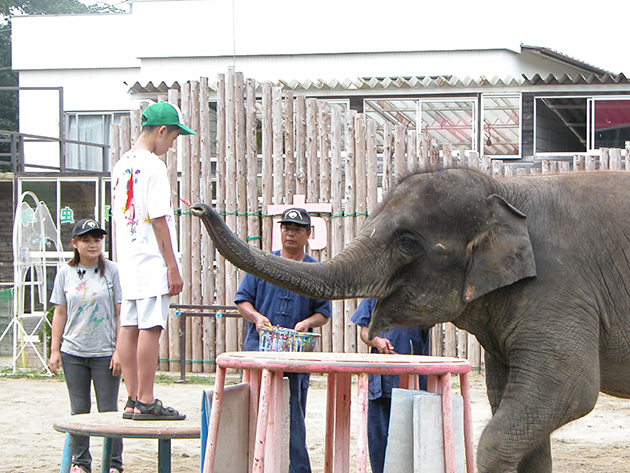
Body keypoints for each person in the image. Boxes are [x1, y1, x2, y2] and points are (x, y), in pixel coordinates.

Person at [111, 101, 195, 421]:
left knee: (128, 324)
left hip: (128, 259)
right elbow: (159, 219)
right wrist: (172, 267)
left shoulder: (121, 164)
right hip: (151, 258)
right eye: (173, 137)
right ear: (161, 130)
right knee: (151, 326)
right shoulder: (154, 167)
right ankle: (146, 397)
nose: (172, 144)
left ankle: (132, 398)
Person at [235, 207, 332, 473]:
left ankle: (297, 469)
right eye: (286, 227)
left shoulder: (317, 270)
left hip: (297, 355)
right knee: (256, 410)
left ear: (308, 234)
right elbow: (242, 300)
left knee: (293, 415)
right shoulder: (262, 262)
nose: (291, 233)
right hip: (260, 350)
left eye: (297, 229)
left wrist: (307, 324)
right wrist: (256, 317)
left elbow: (323, 313)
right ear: (280, 231)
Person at [49, 218, 124, 473]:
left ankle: (113, 464)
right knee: (79, 411)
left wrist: (119, 350)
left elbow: (121, 312)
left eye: (97, 239)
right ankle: (81, 463)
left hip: (105, 351)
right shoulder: (65, 273)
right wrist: (54, 350)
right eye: (86, 239)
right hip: (73, 351)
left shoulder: (112, 270)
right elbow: (60, 312)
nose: (93, 244)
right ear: (75, 243)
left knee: (109, 411)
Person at [351, 298, 431, 473]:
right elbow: (364, 332)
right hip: (379, 379)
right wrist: (377, 341)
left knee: (410, 436)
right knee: (378, 437)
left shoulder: (419, 292)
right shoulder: (373, 294)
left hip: (411, 378)